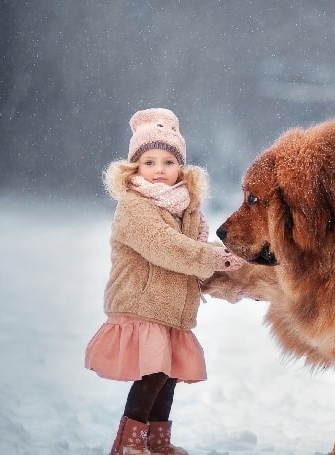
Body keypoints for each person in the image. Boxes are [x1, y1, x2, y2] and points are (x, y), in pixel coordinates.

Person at [85, 108, 244, 455]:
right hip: (143, 305)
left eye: (169, 162)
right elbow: (166, 248)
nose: (160, 170)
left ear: (181, 168)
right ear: (134, 168)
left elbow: (196, 255)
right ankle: (128, 443)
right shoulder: (134, 207)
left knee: (167, 377)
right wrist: (216, 258)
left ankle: (157, 441)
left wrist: (240, 278)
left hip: (172, 309)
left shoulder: (187, 211)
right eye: (150, 162)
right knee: (152, 375)